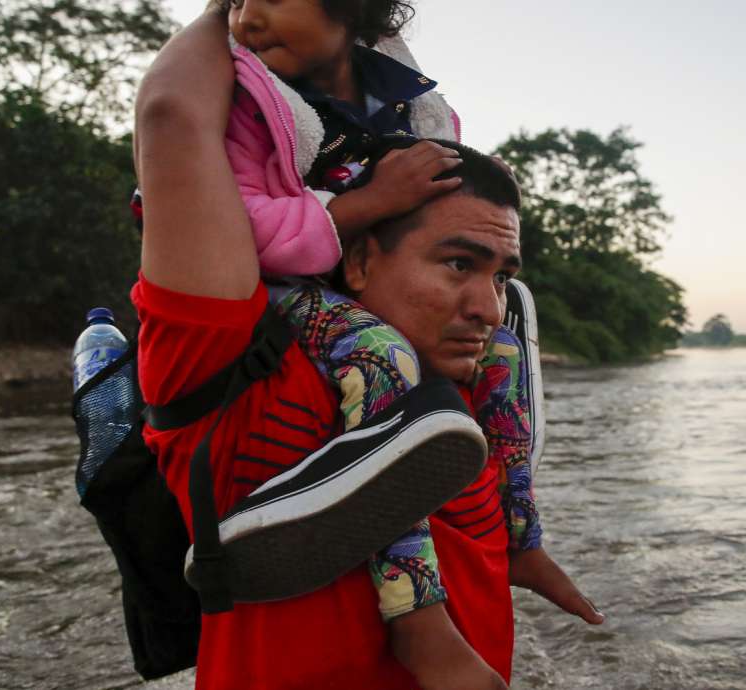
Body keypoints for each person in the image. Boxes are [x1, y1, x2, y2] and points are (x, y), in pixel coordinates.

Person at [132, 8, 599, 689]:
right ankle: (418, 623)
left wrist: (520, 540)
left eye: (500, 276)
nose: (484, 305)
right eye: (457, 264)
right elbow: (172, 114)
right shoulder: (238, 373)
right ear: (357, 260)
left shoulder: (484, 382)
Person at [210, 0, 545, 625]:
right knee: (382, 351)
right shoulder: (245, 104)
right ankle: (414, 612)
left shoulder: (409, 104)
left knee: (505, 348)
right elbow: (227, 226)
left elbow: (440, 211)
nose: (245, 18)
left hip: (358, 276)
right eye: (233, 2)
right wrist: (367, 203)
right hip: (283, 287)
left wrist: (476, 181)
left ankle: (523, 534)